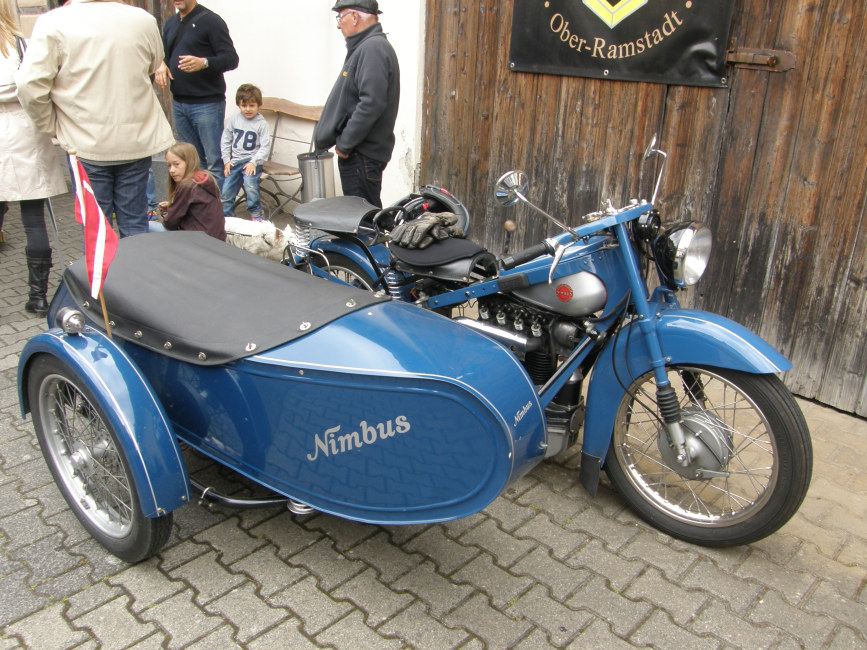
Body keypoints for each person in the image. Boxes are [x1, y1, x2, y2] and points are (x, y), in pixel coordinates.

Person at [15, 0, 174, 239]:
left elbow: (29, 85)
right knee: (134, 226)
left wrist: (51, 125)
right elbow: (153, 64)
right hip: (134, 137)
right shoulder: (142, 20)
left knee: (97, 234)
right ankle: (135, 264)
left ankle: (114, 265)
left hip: (85, 140)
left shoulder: (53, 22)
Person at [0, 3, 68, 316]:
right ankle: (38, 297)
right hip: (27, 133)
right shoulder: (22, 46)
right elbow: (41, 86)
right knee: (33, 218)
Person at [315, 0, 400, 208]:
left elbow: (371, 103)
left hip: (361, 156)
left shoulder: (373, 48)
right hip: (360, 156)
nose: (338, 25)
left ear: (354, 17)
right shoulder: (367, 46)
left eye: (340, 17)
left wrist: (345, 144)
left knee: (363, 221)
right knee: (365, 218)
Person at [155, 0, 238, 189]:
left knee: (214, 163)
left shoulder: (211, 21)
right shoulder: (171, 23)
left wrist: (205, 63)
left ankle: (217, 206)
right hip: (179, 103)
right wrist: (162, 64)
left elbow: (231, 59)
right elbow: (166, 56)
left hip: (207, 105)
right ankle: (196, 204)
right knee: (190, 163)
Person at [155, 142, 226, 241]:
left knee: (149, 227)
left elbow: (170, 223)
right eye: (169, 165)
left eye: (176, 164)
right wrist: (172, 206)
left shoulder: (187, 186)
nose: (171, 170)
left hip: (198, 242)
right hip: (216, 240)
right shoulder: (204, 177)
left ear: (189, 162)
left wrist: (165, 213)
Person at [220, 83, 271, 222]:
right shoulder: (234, 120)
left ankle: (256, 214)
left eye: (252, 105)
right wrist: (226, 161)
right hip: (234, 162)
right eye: (244, 105)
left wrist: (254, 162)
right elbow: (225, 140)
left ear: (259, 105)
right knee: (226, 191)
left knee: (250, 186)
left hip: (251, 162)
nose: (248, 109)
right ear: (239, 105)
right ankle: (227, 218)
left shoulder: (262, 124)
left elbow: (265, 147)